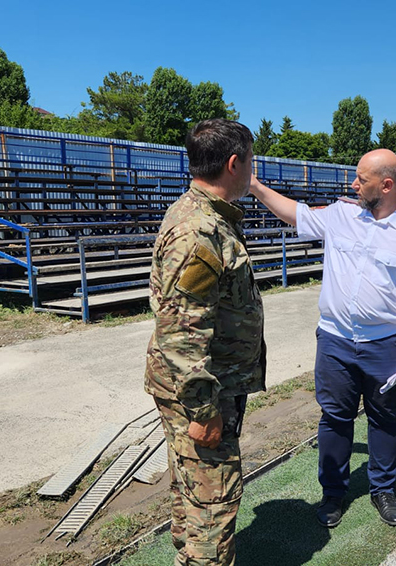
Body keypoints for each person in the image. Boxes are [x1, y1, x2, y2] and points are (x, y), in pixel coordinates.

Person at [248, 149, 396, 528]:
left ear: (386, 185)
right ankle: (333, 493)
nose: (353, 185)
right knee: (334, 418)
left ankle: (383, 489)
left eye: (361, 179)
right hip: (335, 340)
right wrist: (254, 186)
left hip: (386, 343)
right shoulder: (341, 214)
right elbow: (295, 213)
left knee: (384, 418)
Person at [144, 119, 266, 566]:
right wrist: (204, 409)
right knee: (212, 506)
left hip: (205, 387)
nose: (252, 171)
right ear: (234, 164)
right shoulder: (199, 230)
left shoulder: (207, 217)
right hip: (201, 392)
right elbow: (180, 331)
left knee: (193, 495)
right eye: (251, 162)